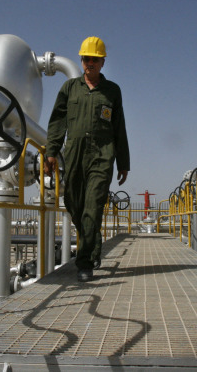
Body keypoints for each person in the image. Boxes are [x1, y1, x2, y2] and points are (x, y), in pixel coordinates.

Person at [44, 36, 130, 282]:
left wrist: (123, 162)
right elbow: (57, 121)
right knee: (73, 203)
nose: (89, 63)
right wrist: (51, 151)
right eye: (85, 59)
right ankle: (93, 245)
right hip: (74, 154)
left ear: (102, 62)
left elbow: (119, 127)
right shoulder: (70, 88)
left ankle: (84, 264)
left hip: (102, 155)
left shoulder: (112, 91)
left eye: (94, 59)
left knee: (92, 207)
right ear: (81, 61)